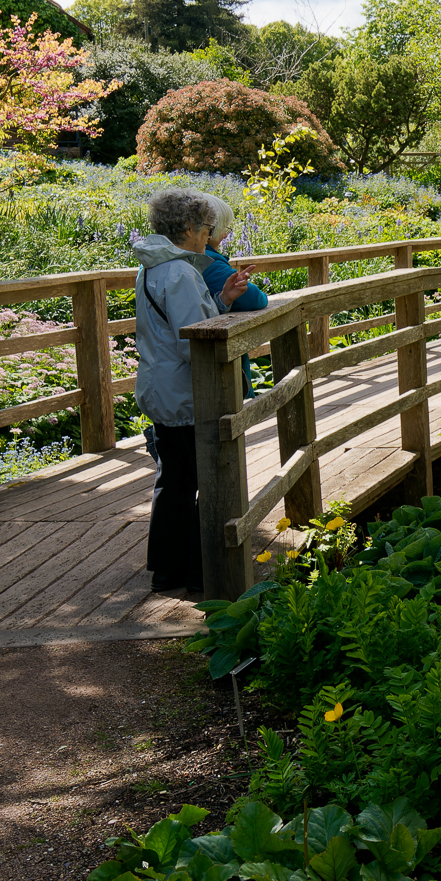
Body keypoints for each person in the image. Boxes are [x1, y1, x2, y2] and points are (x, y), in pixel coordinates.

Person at [133, 189, 255, 593]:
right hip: (184, 393)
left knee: (175, 480)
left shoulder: (153, 267)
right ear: (187, 228)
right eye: (205, 229)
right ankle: (198, 571)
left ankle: (167, 568)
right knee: (196, 480)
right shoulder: (181, 272)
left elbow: (180, 325)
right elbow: (193, 340)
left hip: (161, 387)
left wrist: (222, 298)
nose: (208, 237)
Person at [198, 194, 268, 398]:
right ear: (208, 230)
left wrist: (223, 300)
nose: (227, 235)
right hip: (214, 369)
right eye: (224, 229)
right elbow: (255, 299)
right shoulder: (208, 262)